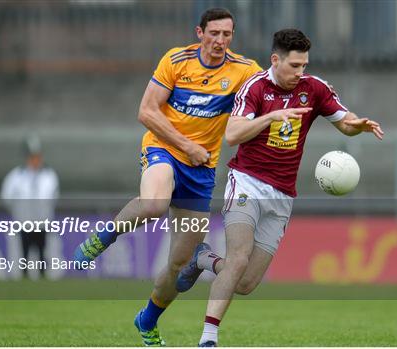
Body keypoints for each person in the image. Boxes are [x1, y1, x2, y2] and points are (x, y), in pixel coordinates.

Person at [175, 28, 384, 347]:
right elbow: (232, 135)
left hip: (282, 196)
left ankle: (203, 259)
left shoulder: (314, 89)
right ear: (276, 60)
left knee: (244, 283)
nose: (300, 72)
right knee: (240, 257)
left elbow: (343, 121)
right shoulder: (255, 87)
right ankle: (208, 338)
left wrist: (357, 126)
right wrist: (271, 118)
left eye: (304, 65)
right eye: (294, 66)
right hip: (246, 182)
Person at [73, 8, 261, 346]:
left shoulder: (244, 71)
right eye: (214, 33)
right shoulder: (176, 60)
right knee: (155, 203)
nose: (220, 41)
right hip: (165, 149)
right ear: (199, 32)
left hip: (201, 170)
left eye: (227, 35)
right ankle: (105, 236)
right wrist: (187, 145)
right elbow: (146, 111)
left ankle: (147, 319)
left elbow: (269, 89)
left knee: (179, 267)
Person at [1, 135, 59, 278]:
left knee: (42, 251)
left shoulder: (49, 175)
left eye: (37, 157)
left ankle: (42, 274)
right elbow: (6, 196)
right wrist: (18, 212)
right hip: (24, 221)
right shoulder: (16, 175)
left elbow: (53, 197)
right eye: (32, 157)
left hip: (42, 222)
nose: (35, 161)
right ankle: (24, 275)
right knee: (24, 251)